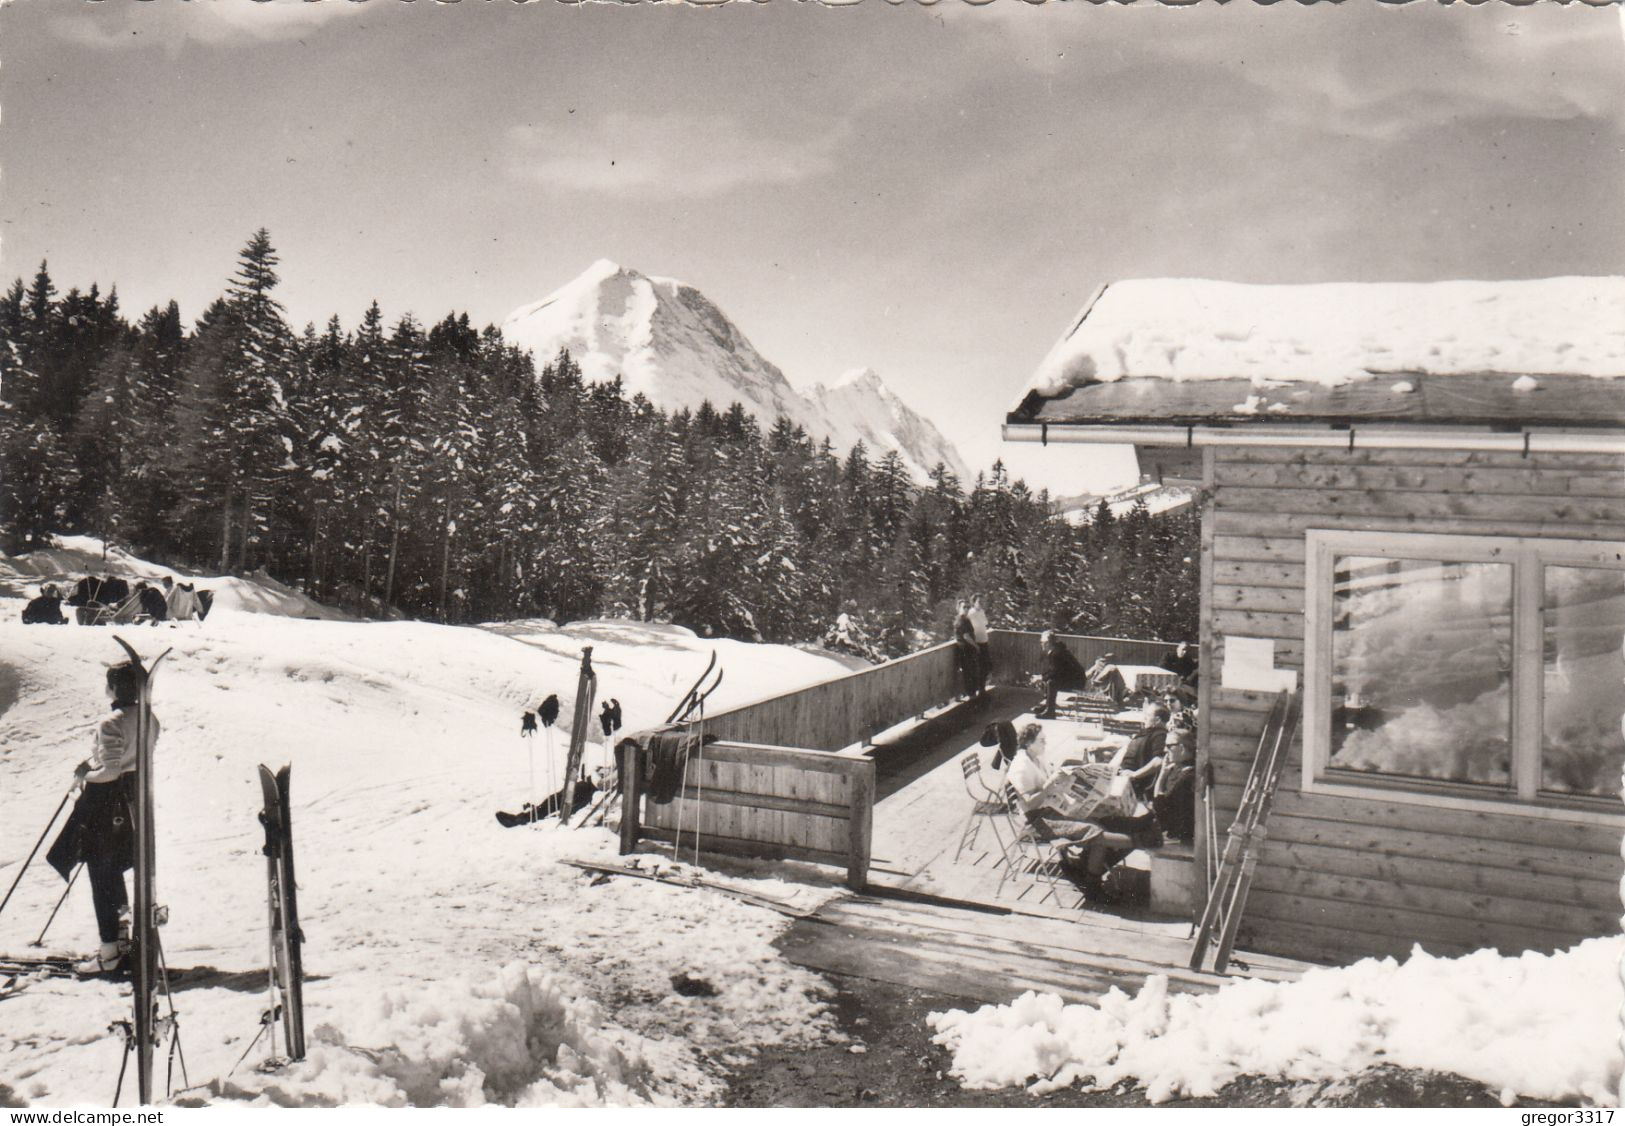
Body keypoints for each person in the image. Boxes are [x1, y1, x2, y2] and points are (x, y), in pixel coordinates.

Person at [45, 661, 156, 976]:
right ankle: (121, 943)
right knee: (115, 871)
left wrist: (86, 775)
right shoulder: (150, 718)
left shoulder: (111, 721)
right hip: (136, 802)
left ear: (116, 687)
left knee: (101, 874)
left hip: (107, 804)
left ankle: (110, 952)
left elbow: (110, 771)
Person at [1152, 711, 1197, 842]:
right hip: (1170, 829)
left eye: (1169, 746)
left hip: (1174, 836)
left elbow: (1159, 805)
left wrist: (1162, 773)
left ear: (1182, 749)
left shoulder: (1186, 778)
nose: (1165, 750)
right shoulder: (1180, 768)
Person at [1121, 704, 1171, 801]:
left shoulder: (1160, 735)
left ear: (1157, 720)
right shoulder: (1148, 732)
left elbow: (1159, 761)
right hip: (1125, 779)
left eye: (1147, 715)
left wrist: (1134, 774)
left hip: (1136, 787)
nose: (1144, 718)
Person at [953, 601, 981, 700]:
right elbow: (966, 636)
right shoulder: (962, 620)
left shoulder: (964, 619)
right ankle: (971, 695)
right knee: (969, 672)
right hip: (965, 649)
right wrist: (976, 646)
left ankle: (971, 694)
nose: (966, 609)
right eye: (964, 607)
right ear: (958, 608)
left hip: (966, 649)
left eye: (967, 607)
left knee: (970, 671)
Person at [967, 594, 992, 694]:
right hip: (977, 644)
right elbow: (968, 629)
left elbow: (985, 624)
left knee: (986, 666)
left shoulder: (981, 612)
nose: (981, 604)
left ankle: (982, 688)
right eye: (979, 602)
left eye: (982, 602)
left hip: (984, 641)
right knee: (979, 667)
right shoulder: (971, 613)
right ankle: (978, 689)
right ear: (974, 602)